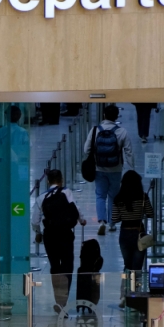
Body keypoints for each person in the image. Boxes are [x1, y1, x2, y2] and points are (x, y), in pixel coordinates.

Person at [31, 170, 85, 312]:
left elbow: (35, 220)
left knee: (55, 266)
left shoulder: (41, 197)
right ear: (61, 180)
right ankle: (64, 300)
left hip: (50, 235)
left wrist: (38, 233)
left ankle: (58, 299)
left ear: (48, 181)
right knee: (67, 266)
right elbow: (75, 208)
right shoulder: (66, 192)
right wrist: (82, 220)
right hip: (65, 234)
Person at [84, 104, 135, 235]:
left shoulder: (95, 130)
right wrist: (131, 169)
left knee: (100, 195)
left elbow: (86, 149)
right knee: (113, 195)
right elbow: (129, 152)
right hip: (115, 169)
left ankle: (101, 221)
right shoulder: (121, 131)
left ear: (104, 115)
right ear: (116, 116)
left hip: (99, 168)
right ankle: (112, 223)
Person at [111, 169, 155, 272]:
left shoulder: (118, 199)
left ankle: (126, 285)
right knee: (137, 267)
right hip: (139, 233)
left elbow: (115, 219)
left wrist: (125, 214)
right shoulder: (143, 197)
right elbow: (150, 213)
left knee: (128, 265)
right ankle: (136, 287)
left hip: (125, 234)